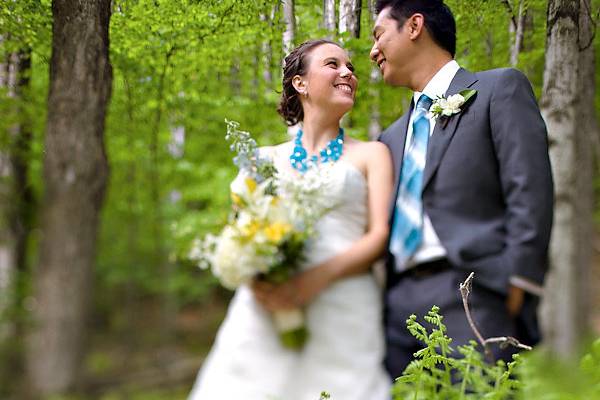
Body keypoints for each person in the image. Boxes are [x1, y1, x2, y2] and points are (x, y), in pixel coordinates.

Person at [188, 39, 394, 400]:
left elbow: (379, 236)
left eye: (352, 68)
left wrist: (316, 278)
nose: (348, 73)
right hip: (268, 307)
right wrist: (262, 282)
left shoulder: (372, 154)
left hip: (343, 304)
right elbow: (241, 232)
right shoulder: (263, 160)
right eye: (333, 64)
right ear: (300, 83)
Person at [369, 0, 554, 379]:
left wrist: (516, 280)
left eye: (378, 34)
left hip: (475, 290)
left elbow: (528, 185)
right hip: (396, 307)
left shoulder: (497, 89)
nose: (373, 51)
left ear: (415, 25)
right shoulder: (387, 140)